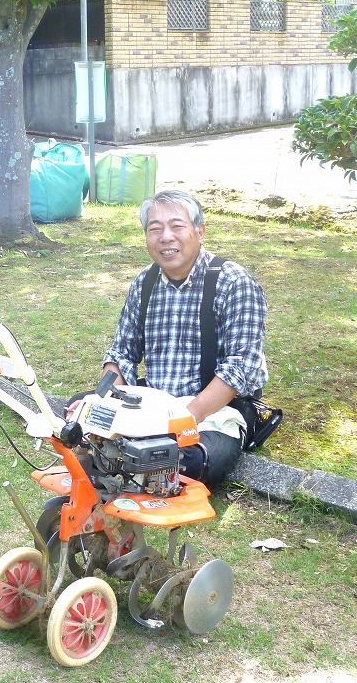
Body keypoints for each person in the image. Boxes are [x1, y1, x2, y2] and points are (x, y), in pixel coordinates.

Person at [99, 188, 267, 489]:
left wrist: (182, 421)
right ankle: (133, 458)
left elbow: (241, 367)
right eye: (155, 229)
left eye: (177, 226)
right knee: (79, 411)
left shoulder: (234, 282)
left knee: (190, 461)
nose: (166, 237)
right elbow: (122, 353)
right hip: (155, 401)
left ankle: (132, 462)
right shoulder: (145, 282)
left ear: (200, 232)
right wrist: (104, 403)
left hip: (213, 409)